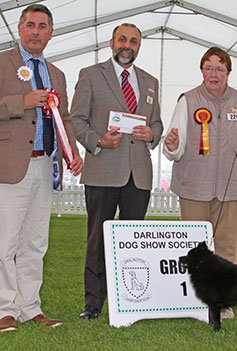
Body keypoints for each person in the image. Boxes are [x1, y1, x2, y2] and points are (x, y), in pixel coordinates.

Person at [71, 23, 163, 320]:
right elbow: (77, 119)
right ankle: (93, 304)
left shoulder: (150, 82)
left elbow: (158, 123)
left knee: (134, 241)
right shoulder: (90, 75)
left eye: (134, 41)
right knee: (98, 238)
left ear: (139, 46)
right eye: (122, 39)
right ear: (112, 42)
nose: (127, 45)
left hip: (139, 174)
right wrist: (98, 140)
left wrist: (153, 134)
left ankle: (132, 301)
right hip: (103, 170)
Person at [0, 4, 83, 332]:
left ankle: (29, 306)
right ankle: (4, 308)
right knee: (5, 242)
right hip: (9, 166)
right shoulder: (2, 62)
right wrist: (19, 103)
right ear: (19, 29)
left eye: (42, 26)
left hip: (44, 166)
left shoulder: (57, 74)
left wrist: (70, 153)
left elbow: (63, 121)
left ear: (51, 33)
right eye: (30, 25)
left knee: (36, 242)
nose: (36, 32)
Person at [163, 47, 237, 318]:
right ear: (202, 71)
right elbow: (175, 145)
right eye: (208, 67)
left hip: (230, 186)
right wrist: (171, 146)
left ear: (228, 73)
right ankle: (194, 300)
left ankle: (224, 303)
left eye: (219, 68)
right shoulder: (187, 100)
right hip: (194, 185)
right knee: (194, 247)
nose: (213, 73)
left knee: (227, 245)